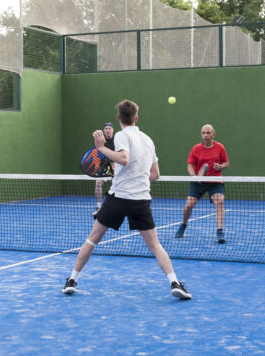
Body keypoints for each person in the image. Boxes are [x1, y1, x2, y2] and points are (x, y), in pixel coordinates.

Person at [64, 100, 191, 300]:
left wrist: (101, 147)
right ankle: (175, 283)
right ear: (136, 118)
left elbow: (123, 159)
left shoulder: (122, 135)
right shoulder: (148, 140)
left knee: (92, 238)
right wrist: (136, 176)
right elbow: (155, 174)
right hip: (141, 200)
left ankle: (72, 280)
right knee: (155, 245)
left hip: (119, 198)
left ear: (118, 119)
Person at [175, 124, 229, 243]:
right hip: (198, 181)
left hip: (215, 181)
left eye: (208, 133)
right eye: (203, 133)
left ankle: (220, 231)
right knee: (189, 205)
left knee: (219, 201)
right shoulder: (196, 148)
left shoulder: (220, 147)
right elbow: (190, 165)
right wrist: (193, 176)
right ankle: (183, 225)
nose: (205, 135)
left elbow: (226, 162)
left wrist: (220, 166)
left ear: (213, 134)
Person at [93, 122, 116, 211]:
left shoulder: (117, 140)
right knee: (98, 183)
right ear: (104, 130)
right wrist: (96, 138)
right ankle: (98, 205)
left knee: (117, 184)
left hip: (117, 166)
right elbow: (98, 149)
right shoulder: (102, 141)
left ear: (112, 130)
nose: (107, 130)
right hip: (105, 167)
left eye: (109, 128)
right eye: (106, 128)